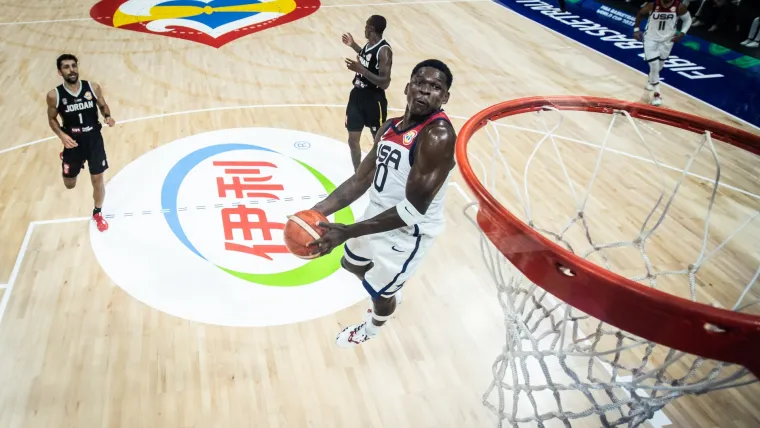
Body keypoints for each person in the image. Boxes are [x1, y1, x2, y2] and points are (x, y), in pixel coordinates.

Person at [307, 59, 456, 348]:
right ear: (407, 87)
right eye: (420, 83)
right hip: (378, 213)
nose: (425, 91)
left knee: (380, 293)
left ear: (445, 98)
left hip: (409, 231)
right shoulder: (389, 127)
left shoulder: (437, 136)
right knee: (351, 263)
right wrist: (317, 211)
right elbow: (360, 180)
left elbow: (412, 211)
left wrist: (348, 230)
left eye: (436, 87)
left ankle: (373, 326)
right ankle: (386, 288)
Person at [46, 54, 115, 232]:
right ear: (60, 72)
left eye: (74, 66)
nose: (72, 70)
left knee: (98, 179)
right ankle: (65, 159)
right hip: (73, 143)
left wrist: (107, 115)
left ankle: (97, 212)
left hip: (94, 140)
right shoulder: (55, 95)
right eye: (67, 67)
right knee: (70, 185)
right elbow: (52, 119)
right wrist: (61, 135)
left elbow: (102, 104)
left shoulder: (92, 87)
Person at [342, 15, 393, 171]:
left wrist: (361, 70)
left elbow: (385, 82)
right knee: (352, 139)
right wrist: (353, 45)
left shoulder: (384, 51)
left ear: (371, 28)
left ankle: (380, 172)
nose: (364, 28)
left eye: (366, 25)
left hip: (374, 99)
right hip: (357, 96)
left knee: (378, 141)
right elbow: (366, 57)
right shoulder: (369, 45)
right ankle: (358, 173)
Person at [634, 0, 692, 106]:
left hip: (667, 40)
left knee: (659, 65)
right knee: (654, 65)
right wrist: (636, 29)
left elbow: (688, 20)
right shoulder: (653, 4)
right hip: (651, 38)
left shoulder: (679, 6)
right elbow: (640, 13)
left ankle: (650, 81)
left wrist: (682, 34)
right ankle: (657, 94)